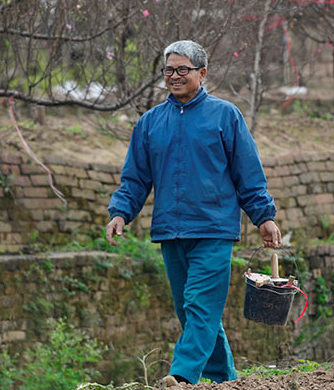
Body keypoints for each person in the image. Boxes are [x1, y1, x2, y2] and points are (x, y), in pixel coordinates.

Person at [105, 40, 281, 387]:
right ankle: (224, 379)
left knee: (200, 304)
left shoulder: (225, 116)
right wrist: (120, 212)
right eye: (169, 70)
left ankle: (182, 377)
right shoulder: (150, 123)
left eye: (182, 70)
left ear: (202, 73)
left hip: (214, 230)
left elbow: (248, 174)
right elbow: (136, 178)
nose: (174, 76)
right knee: (192, 311)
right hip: (170, 230)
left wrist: (264, 216)